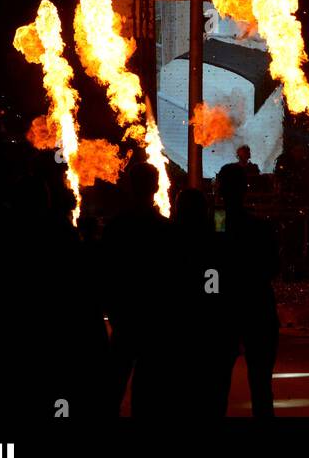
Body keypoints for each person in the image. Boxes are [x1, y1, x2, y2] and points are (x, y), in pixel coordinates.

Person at [102, 162, 175, 416]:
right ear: (156, 187)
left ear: (130, 187)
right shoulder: (165, 231)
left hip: (125, 321)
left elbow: (106, 274)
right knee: (147, 397)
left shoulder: (115, 228)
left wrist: (113, 310)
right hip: (154, 324)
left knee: (111, 392)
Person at [217, 161, 280, 416]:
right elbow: (271, 268)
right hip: (257, 308)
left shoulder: (217, 224)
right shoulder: (260, 227)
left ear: (221, 189)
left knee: (217, 386)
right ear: (245, 189)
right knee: (261, 385)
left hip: (225, 310)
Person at [169, 187, 234, 417]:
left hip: (181, 325)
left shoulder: (170, 236)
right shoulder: (214, 234)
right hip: (210, 326)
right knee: (213, 396)